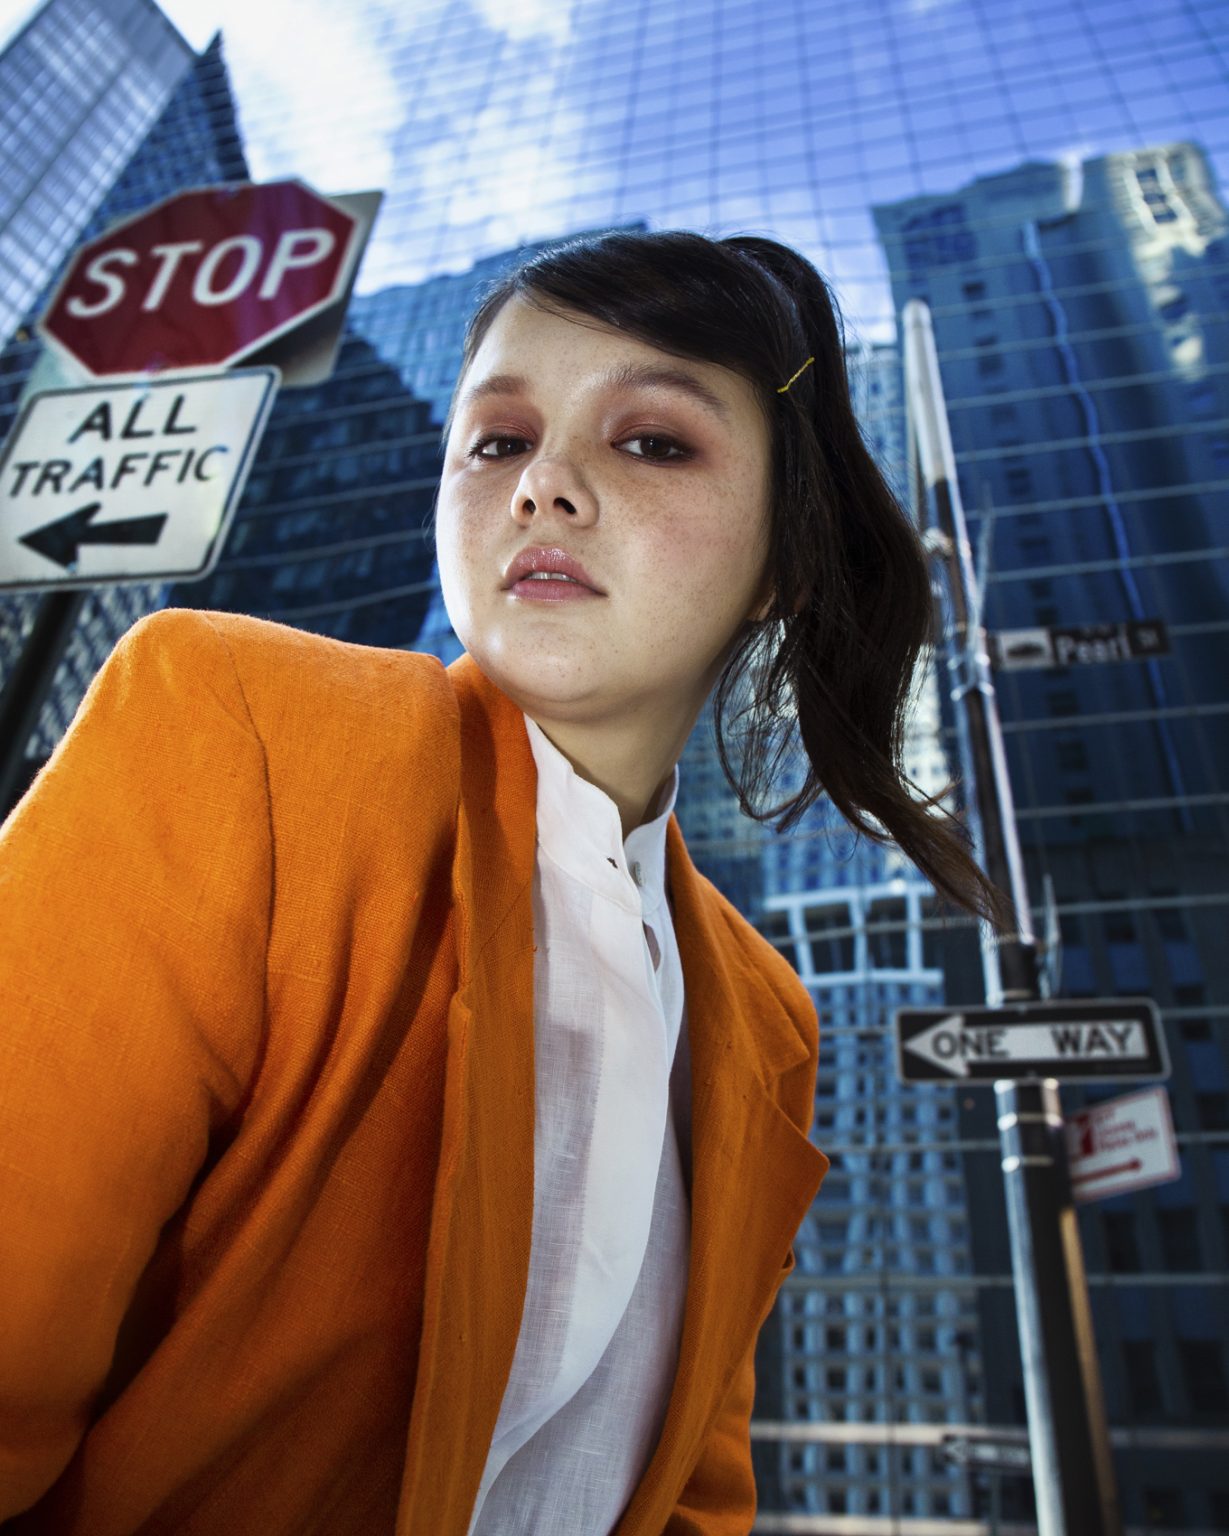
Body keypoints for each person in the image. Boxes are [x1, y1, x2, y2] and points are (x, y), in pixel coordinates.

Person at [0, 229, 1002, 1535]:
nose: (544, 486)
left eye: (652, 441)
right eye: (497, 439)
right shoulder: (235, 726)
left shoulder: (767, 1020)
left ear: (785, 567)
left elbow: (691, 1493)